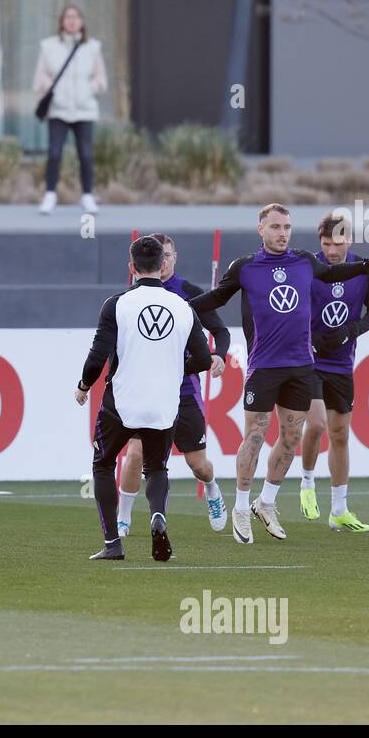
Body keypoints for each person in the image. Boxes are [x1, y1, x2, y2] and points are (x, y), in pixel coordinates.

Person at [187, 204, 369, 544]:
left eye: (287, 227)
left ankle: (266, 502)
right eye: (276, 227)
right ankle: (240, 507)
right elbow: (216, 298)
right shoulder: (245, 267)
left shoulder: (304, 261)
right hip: (264, 366)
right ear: (261, 229)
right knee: (255, 436)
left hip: (301, 366)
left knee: (293, 436)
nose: (282, 233)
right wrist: (179, 306)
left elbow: (333, 275)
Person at [77, 235, 211, 562]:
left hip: (122, 403)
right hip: (164, 404)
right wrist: (175, 367)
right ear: (162, 265)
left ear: (131, 267)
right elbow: (204, 360)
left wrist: (83, 385)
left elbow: (98, 355)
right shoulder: (183, 307)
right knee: (156, 468)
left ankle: (113, 543)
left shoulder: (116, 305)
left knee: (103, 464)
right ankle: (158, 516)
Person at [115, 233, 230, 537]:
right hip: (148, 390)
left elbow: (220, 330)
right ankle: (122, 518)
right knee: (135, 453)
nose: (163, 262)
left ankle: (212, 489)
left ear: (174, 258)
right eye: (160, 256)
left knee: (198, 464)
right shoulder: (133, 296)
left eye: (168, 256)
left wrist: (219, 354)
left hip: (183, 390)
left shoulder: (188, 294)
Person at [297, 212, 369, 532]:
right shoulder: (308, 267)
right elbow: (291, 308)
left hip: (342, 363)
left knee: (340, 434)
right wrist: (309, 337)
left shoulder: (364, 269)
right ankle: (307, 484)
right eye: (326, 244)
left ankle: (339, 510)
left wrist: (351, 330)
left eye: (338, 243)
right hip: (309, 361)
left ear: (350, 240)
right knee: (316, 424)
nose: (332, 251)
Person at [33, 3, 107, 216]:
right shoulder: (48, 46)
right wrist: (50, 86)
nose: (72, 21)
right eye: (68, 17)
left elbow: (101, 78)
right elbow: (39, 76)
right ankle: (50, 195)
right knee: (54, 153)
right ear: (62, 22)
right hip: (59, 109)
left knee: (86, 153)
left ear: (81, 22)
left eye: (76, 17)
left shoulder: (93, 47)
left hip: (84, 110)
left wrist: (90, 88)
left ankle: (87, 195)